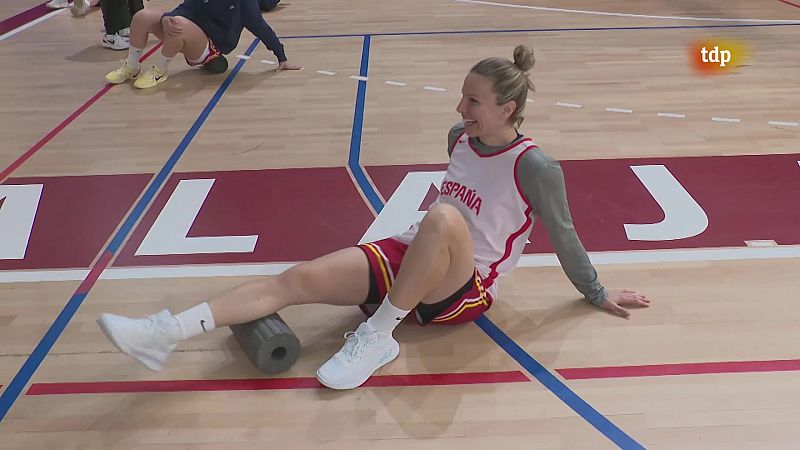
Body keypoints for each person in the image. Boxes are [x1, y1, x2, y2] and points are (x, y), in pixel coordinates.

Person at [97, 45, 649, 389]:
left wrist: (596, 292)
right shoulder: (460, 138)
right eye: (461, 97)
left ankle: (377, 334)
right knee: (297, 278)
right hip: (413, 253)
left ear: (507, 109)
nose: (460, 110)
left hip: (467, 286)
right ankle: (163, 331)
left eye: (473, 101)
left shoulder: (536, 165)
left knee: (443, 218)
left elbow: (566, 233)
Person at [104, 0, 302, 89]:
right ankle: (132, 66)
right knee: (142, 16)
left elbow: (262, 29)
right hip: (189, 31)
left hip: (211, 48)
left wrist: (281, 57)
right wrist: (166, 20)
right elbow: (183, 10)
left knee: (178, 25)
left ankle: (160, 70)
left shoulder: (245, 3)